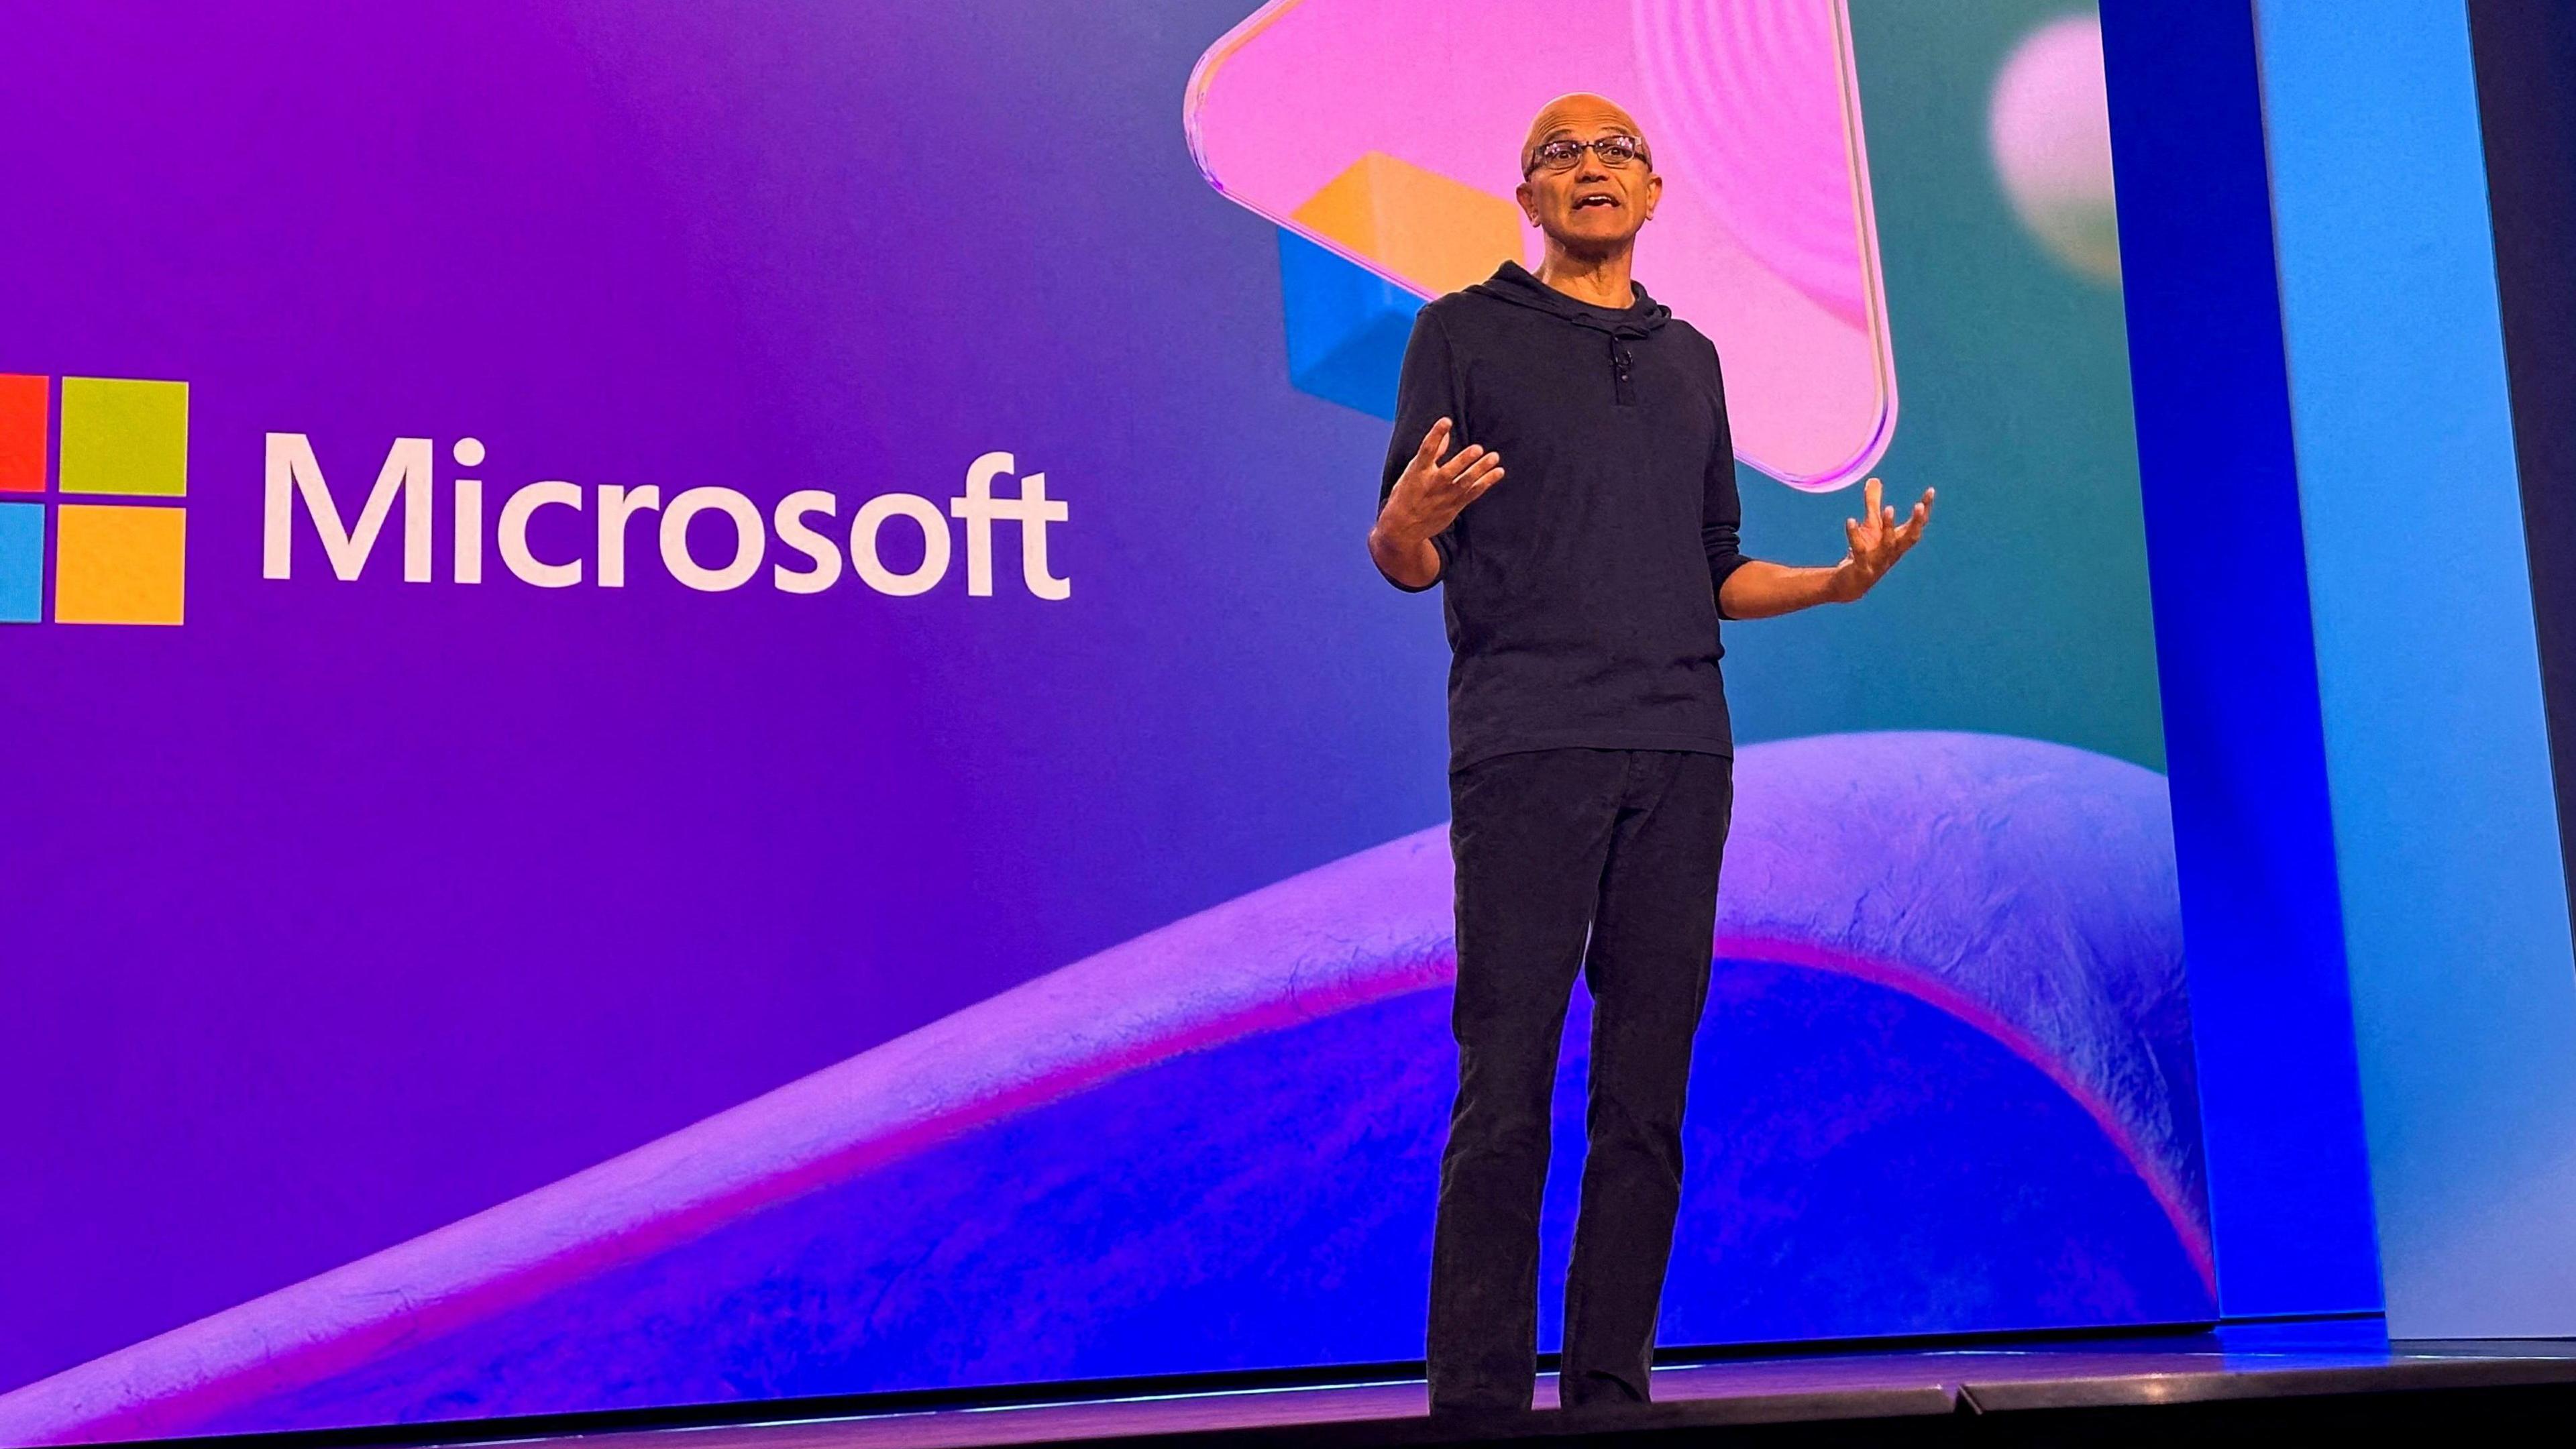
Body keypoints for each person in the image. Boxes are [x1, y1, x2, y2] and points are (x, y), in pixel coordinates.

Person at [1368, 93, 1933, 1415]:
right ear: (1527, 195)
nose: (1591, 167)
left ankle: (1611, 1394)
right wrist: (1405, 520)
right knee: (1505, 1086)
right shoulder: (1460, 333)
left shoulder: (1692, 361)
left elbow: (1717, 570)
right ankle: (1479, 1404)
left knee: (1646, 1098)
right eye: (1561, 154)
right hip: (1528, 747)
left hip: (1681, 754)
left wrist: (1836, 584)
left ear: (1655, 192)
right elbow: (1406, 559)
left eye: (1616, 150)